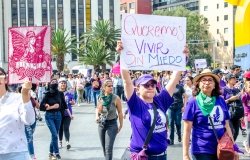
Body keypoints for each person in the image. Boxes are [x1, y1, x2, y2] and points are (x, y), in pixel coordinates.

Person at [116, 41, 188, 159]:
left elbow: (175, 79)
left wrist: (182, 57)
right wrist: (122, 56)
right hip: (144, 156)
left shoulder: (160, 101)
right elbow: (126, 81)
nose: (150, 87)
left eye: (153, 85)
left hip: (162, 155)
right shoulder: (135, 103)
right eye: (146, 85)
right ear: (137, 88)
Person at [182, 69, 236, 160]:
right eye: (204, 80)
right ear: (198, 84)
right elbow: (187, 131)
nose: (207, 83)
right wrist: (185, 155)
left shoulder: (221, 100)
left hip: (222, 148)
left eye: (210, 80)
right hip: (201, 150)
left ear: (215, 85)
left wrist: (234, 148)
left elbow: (227, 126)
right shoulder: (193, 102)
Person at [0, 67, 35, 160]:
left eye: (0, 75)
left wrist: (25, 95)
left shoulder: (17, 98)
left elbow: (29, 120)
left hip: (15, 153)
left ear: (6, 79)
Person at [40, 78, 68, 160]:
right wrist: (49, 106)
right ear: (49, 84)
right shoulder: (47, 94)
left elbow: (63, 105)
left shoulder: (60, 94)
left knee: (54, 135)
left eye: (56, 82)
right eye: (53, 82)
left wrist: (67, 113)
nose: (54, 83)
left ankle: (50, 153)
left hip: (58, 116)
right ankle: (57, 153)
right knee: (55, 135)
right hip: (49, 116)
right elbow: (42, 106)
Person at [95, 79, 123, 160]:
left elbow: (120, 112)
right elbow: (97, 109)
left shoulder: (116, 98)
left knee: (108, 149)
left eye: (112, 86)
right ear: (104, 87)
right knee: (104, 148)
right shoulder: (100, 97)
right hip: (101, 124)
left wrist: (121, 125)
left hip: (112, 124)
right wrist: (96, 116)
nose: (111, 88)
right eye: (109, 86)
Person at [223, 73, 244, 141]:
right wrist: (230, 99)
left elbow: (240, 103)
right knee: (231, 131)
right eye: (233, 78)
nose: (235, 80)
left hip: (236, 114)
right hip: (227, 114)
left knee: (236, 133)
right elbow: (221, 103)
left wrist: (242, 115)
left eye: (235, 78)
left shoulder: (236, 90)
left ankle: (232, 147)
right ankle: (229, 148)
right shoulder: (223, 90)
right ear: (228, 80)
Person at [58, 78, 74, 150]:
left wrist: (72, 102)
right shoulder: (56, 93)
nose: (63, 84)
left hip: (68, 114)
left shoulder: (69, 93)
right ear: (59, 84)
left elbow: (73, 101)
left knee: (66, 128)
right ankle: (60, 141)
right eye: (61, 83)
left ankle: (67, 142)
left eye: (64, 83)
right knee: (60, 128)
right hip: (59, 113)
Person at [242, 80, 250, 153]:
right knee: (249, 131)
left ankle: (246, 142)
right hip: (247, 115)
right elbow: (241, 103)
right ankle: (247, 145)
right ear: (246, 88)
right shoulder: (245, 95)